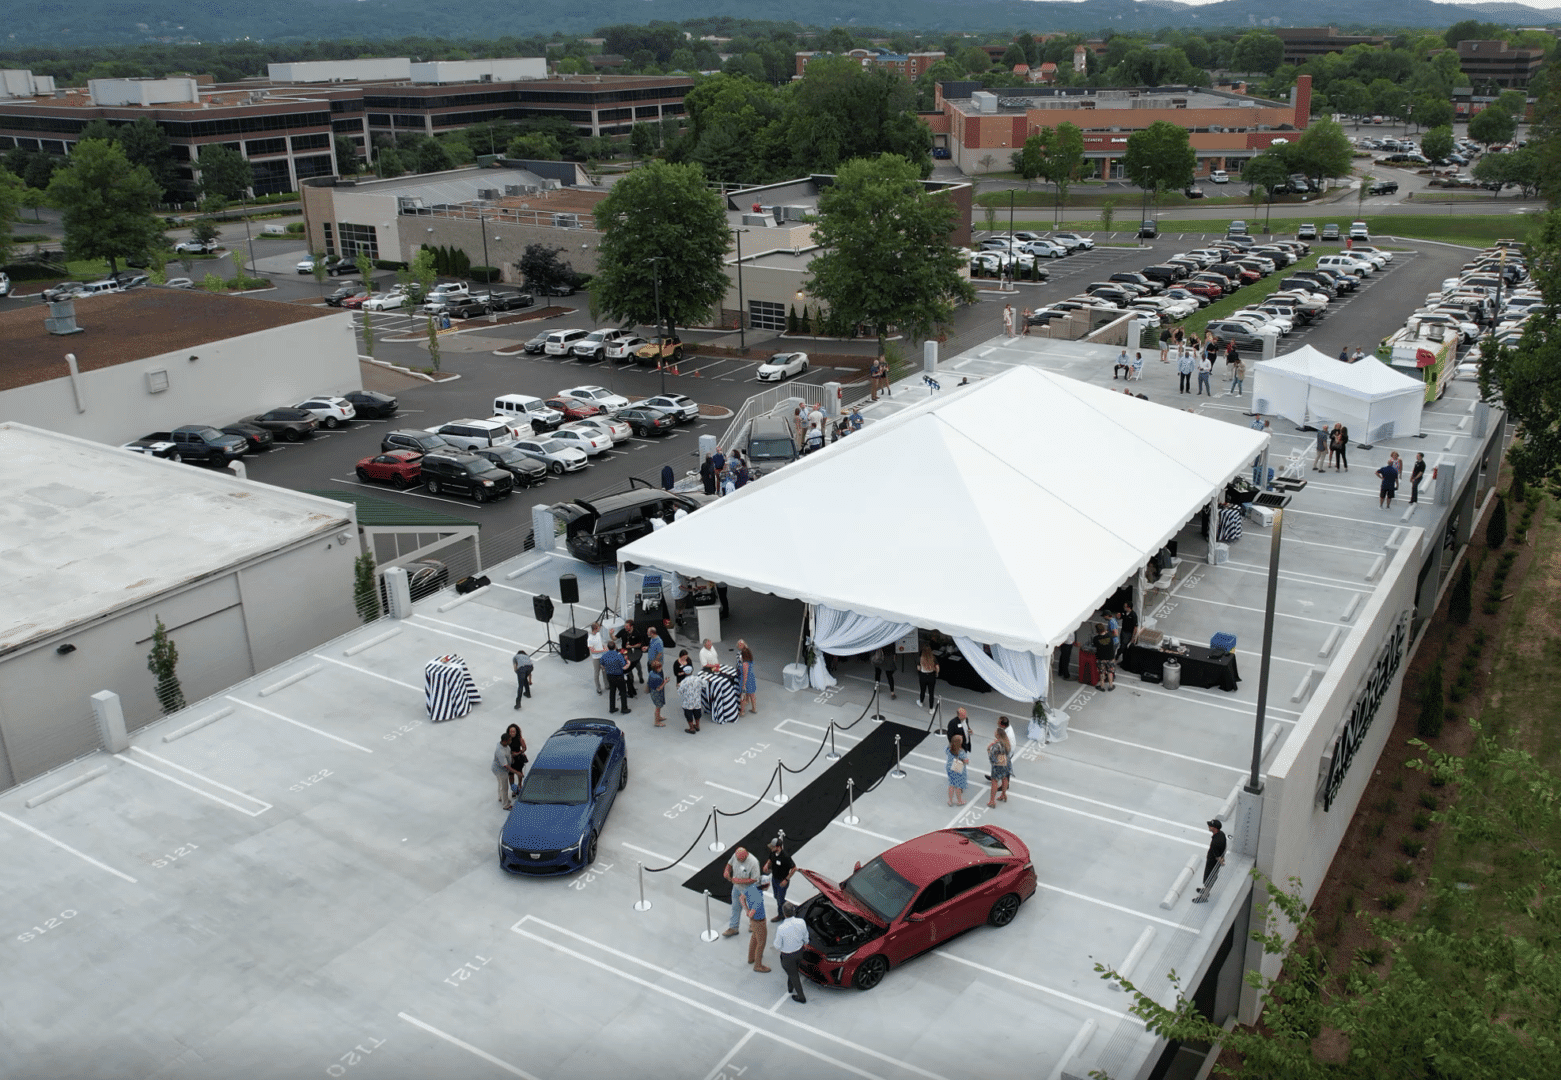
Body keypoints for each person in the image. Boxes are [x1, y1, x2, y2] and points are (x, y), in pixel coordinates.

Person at [722, 846, 762, 938]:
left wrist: (740, 881)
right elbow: (729, 864)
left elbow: (755, 879)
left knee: (751, 908)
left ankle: (753, 923)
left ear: (746, 855)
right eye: (738, 859)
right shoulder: (736, 856)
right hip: (736, 888)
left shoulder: (753, 862)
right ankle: (733, 927)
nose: (739, 861)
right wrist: (727, 871)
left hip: (749, 890)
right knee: (735, 907)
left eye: (741, 860)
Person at [775, 902, 809, 1003]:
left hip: (787, 956)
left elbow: (777, 945)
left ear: (784, 913)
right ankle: (790, 987)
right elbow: (805, 936)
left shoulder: (781, 928)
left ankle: (801, 996)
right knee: (794, 970)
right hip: (799, 952)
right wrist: (805, 943)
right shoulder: (801, 922)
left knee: (793, 975)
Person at [1192, 819, 1227, 903]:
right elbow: (1225, 848)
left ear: (1214, 828)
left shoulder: (1216, 842)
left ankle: (1204, 897)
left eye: (1210, 826)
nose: (1209, 826)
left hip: (1213, 863)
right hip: (1214, 861)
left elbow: (1217, 856)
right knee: (1210, 878)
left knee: (1209, 879)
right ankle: (1206, 891)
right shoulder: (1221, 834)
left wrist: (1221, 862)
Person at [741, 881, 770, 973]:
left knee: (754, 938)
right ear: (766, 886)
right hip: (759, 921)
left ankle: (751, 958)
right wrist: (749, 912)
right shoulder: (758, 899)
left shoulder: (751, 887)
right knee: (761, 943)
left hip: (753, 922)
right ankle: (758, 965)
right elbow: (751, 914)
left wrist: (746, 909)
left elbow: (742, 898)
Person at [764, 836, 796, 919]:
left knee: (780, 900)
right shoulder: (773, 852)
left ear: (778, 847)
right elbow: (770, 859)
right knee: (776, 897)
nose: (771, 848)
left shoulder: (785, 857)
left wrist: (786, 880)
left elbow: (794, 868)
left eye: (773, 846)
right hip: (774, 879)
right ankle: (791, 907)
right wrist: (767, 865)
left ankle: (782, 915)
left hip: (782, 881)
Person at [985, 718, 1013, 807]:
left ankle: (992, 801)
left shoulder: (996, 745)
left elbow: (992, 758)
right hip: (1006, 763)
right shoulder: (1006, 743)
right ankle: (1003, 794)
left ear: (998, 735)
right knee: (1005, 778)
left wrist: (989, 749)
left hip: (998, 765)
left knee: (994, 782)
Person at [600, 642, 630, 714]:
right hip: (619, 676)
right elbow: (624, 666)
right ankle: (624, 709)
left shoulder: (604, 655)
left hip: (610, 676)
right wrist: (628, 662)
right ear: (615, 647)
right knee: (623, 692)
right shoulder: (619, 655)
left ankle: (612, 708)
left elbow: (602, 664)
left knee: (612, 691)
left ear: (607, 647)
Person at [492, 731, 518, 811]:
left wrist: (511, 757)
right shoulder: (500, 751)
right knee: (504, 787)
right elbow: (506, 766)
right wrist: (517, 773)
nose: (511, 741)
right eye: (509, 740)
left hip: (498, 768)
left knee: (500, 783)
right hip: (500, 770)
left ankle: (501, 798)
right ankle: (506, 805)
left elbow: (508, 753)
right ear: (504, 741)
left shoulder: (504, 745)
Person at [617, 619, 645, 688]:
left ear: (631, 626)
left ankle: (640, 677)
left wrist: (631, 646)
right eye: (625, 626)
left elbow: (639, 644)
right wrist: (610, 634)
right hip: (627, 652)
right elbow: (614, 637)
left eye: (627, 626)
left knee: (638, 666)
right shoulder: (623, 631)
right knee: (629, 666)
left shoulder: (637, 633)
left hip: (635, 652)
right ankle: (631, 678)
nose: (625, 627)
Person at [946, 734, 970, 806]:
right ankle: (959, 801)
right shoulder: (961, 752)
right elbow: (965, 761)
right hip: (958, 768)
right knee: (958, 786)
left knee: (951, 784)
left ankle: (950, 801)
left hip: (950, 768)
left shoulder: (948, 749)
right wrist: (966, 761)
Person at [505, 722, 528, 797]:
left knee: (519, 773)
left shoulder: (520, 739)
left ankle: (519, 785)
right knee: (510, 774)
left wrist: (518, 753)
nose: (512, 733)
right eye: (510, 731)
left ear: (516, 732)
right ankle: (513, 788)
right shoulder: (507, 739)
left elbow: (524, 748)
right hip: (509, 759)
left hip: (517, 759)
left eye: (513, 731)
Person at [1092, 620, 1117, 691]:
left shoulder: (1096, 639)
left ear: (1097, 630)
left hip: (1101, 658)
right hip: (1110, 657)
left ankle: (1102, 686)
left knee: (1102, 672)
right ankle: (1111, 686)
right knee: (1110, 672)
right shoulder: (1110, 635)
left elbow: (1095, 646)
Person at [677, 666, 703, 733]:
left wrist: (678, 686)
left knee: (688, 714)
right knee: (697, 713)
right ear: (692, 671)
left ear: (684, 672)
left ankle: (691, 728)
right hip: (697, 700)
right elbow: (704, 685)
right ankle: (697, 726)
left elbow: (679, 693)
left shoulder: (683, 682)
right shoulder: (698, 679)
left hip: (688, 702)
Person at [916, 645, 940, 710]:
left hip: (923, 676)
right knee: (931, 693)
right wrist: (936, 673)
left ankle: (921, 702)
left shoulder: (920, 658)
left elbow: (918, 668)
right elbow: (937, 667)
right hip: (931, 676)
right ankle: (931, 708)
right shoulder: (933, 658)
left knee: (922, 690)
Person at [587, 622, 607, 695]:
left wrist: (603, 646)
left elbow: (600, 643)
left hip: (602, 656)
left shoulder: (598, 634)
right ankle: (598, 688)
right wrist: (602, 650)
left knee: (605, 671)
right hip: (596, 658)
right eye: (598, 627)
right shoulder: (590, 639)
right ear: (595, 628)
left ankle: (607, 685)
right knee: (596, 673)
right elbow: (592, 651)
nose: (600, 628)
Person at [738, 642, 758, 714]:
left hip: (746, 681)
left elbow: (745, 675)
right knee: (752, 695)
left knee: (742, 696)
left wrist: (743, 686)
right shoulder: (750, 661)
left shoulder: (744, 664)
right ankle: (754, 708)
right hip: (751, 679)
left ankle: (742, 711)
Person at [647, 659, 667, 726]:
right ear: (657, 668)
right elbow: (659, 688)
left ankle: (659, 717)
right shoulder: (658, 678)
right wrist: (665, 682)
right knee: (658, 707)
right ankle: (656, 722)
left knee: (658, 707)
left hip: (652, 691)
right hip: (657, 693)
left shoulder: (651, 672)